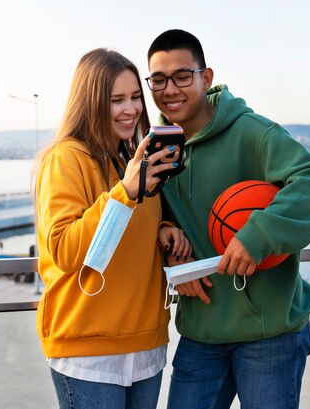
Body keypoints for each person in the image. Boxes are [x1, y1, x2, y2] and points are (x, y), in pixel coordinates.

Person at [145, 29, 310, 409]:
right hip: (200, 334)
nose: (169, 88)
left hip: (270, 334)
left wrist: (259, 235)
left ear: (206, 78)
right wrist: (168, 241)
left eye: (182, 76)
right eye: (158, 79)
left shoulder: (254, 133)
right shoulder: (159, 148)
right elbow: (155, 215)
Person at [33, 48, 192, 409]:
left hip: (146, 342)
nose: (131, 109)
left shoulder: (130, 159)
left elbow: (134, 219)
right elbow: (65, 250)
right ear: (90, 103)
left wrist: (163, 228)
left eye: (136, 97)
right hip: (89, 350)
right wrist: (126, 191)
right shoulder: (65, 159)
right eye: (116, 100)